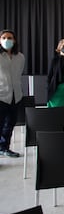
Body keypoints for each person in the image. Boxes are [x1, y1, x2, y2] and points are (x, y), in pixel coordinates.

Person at [0, 29, 25, 157]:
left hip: (16, 95)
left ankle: (4, 147)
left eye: (9, 38)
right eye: (4, 37)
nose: (7, 40)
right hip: (1, 95)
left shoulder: (20, 57)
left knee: (10, 123)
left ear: (14, 40)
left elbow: (18, 74)